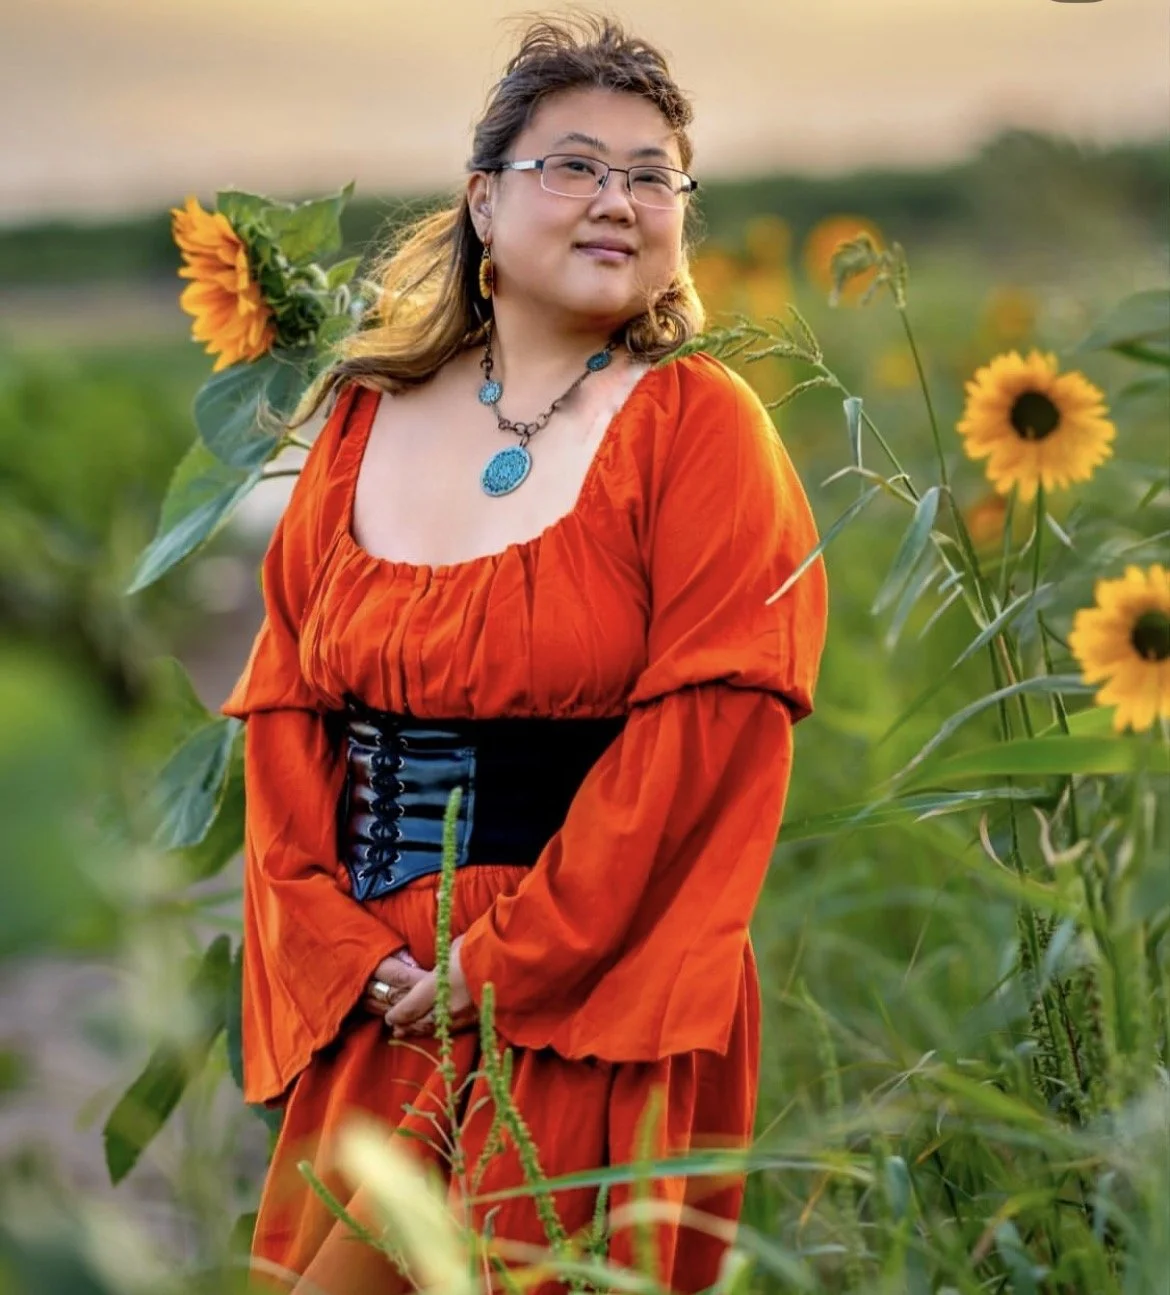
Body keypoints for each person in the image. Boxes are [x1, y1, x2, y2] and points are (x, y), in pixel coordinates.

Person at [222, 14, 828, 1294]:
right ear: (484, 203)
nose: (619, 199)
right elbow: (286, 711)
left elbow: (706, 740)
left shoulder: (700, 428)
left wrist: (502, 965)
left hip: (593, 990)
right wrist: (339, 950)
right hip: (385, 988)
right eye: (575, 164)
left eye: (653, 175)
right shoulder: (359, 419)